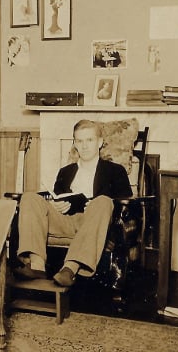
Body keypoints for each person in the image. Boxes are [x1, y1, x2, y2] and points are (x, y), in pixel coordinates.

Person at [14, 119, 132, 288]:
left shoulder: (115, 170)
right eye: (80, 141)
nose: (84, 146)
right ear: (75, 143)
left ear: (99, 142)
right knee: (29, 197)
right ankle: (37, 266)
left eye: (89, 140)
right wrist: (56, 205)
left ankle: (69, 269)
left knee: (103, 201)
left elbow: (126, 203)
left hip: (95, 224)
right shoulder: (66, 171)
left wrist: (95, 205)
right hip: (65, 221)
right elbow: (57, 196)